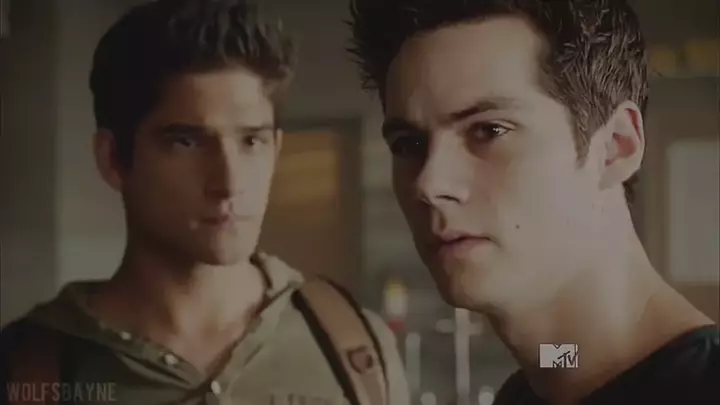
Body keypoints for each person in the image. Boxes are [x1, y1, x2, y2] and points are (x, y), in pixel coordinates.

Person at [0, 1, 409, 404]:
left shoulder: (356, 350)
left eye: (251, 141)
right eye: (186, 142)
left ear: (276, 149)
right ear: (113, 159)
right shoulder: (27, 369)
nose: (228, 183)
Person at [347, 0, 719, 404]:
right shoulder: (547, 375)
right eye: (408, 144)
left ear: (615, 147)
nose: (429, 183)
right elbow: (566, 361)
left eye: (489, 131)